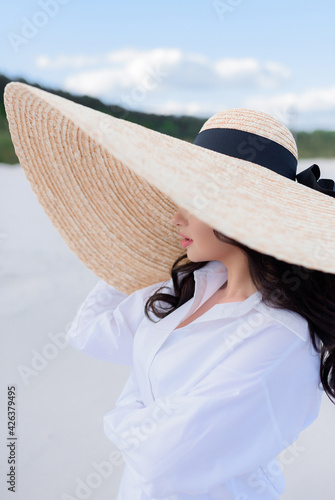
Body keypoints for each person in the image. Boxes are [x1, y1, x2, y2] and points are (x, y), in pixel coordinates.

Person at [4, 82, 335, 500]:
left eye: (190, 199)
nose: (174, 216)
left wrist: (124, 413)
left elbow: (163, 455)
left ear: (235, 211)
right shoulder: (194, 286)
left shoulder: (280, 338)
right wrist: (124, 251)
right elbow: (90, 331)